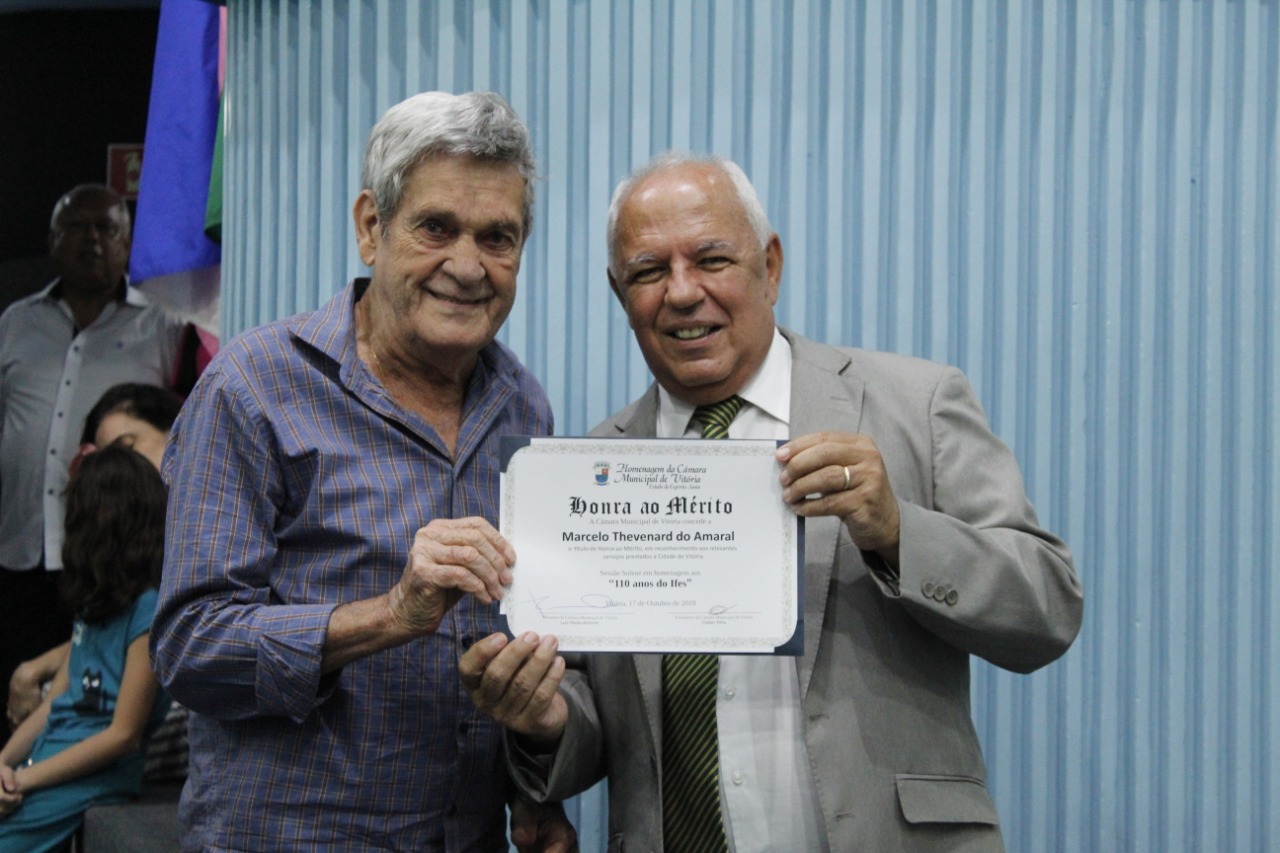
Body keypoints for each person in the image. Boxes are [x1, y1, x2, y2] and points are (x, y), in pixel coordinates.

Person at [460, 152, 1086, 851]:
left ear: (771, 266)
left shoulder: (918, 403)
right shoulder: (590, 472)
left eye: (712, 260)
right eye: (648, 271)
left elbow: (1048, 611)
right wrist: (546, 719)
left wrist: (898, 532)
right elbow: (597, 726)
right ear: (619, 291)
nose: (682, 292)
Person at [150, 91, 574, 852]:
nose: (468, 266)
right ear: (371, 227)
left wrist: (532, 793)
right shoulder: (253, 387)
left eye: (497, 237)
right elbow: (190, 648)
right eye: (436, 228)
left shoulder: (523, 406)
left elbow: (519, 631)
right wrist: (391, 614)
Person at [0, 185, 188, 717]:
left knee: (91, 696)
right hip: (18, 546)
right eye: (76, 228)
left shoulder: (164, 324)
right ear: (52, 242)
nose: (91, 239)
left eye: (106, 228)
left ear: (128, 244)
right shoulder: (16, 322)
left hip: (113, 553)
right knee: (13, 682)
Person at [0, 445, 173, 852]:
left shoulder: (148, 611)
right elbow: (55, 703)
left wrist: (21, 780)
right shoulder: (95, 605)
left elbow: (123, 736)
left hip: (94, 772)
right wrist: (3, 763)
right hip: (48, 756)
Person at [8, 383, 183, 728]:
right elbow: (110, 632)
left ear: (176, 431)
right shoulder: (129, 540)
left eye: (128, 449)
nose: (119, 472)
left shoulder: (209, 520)